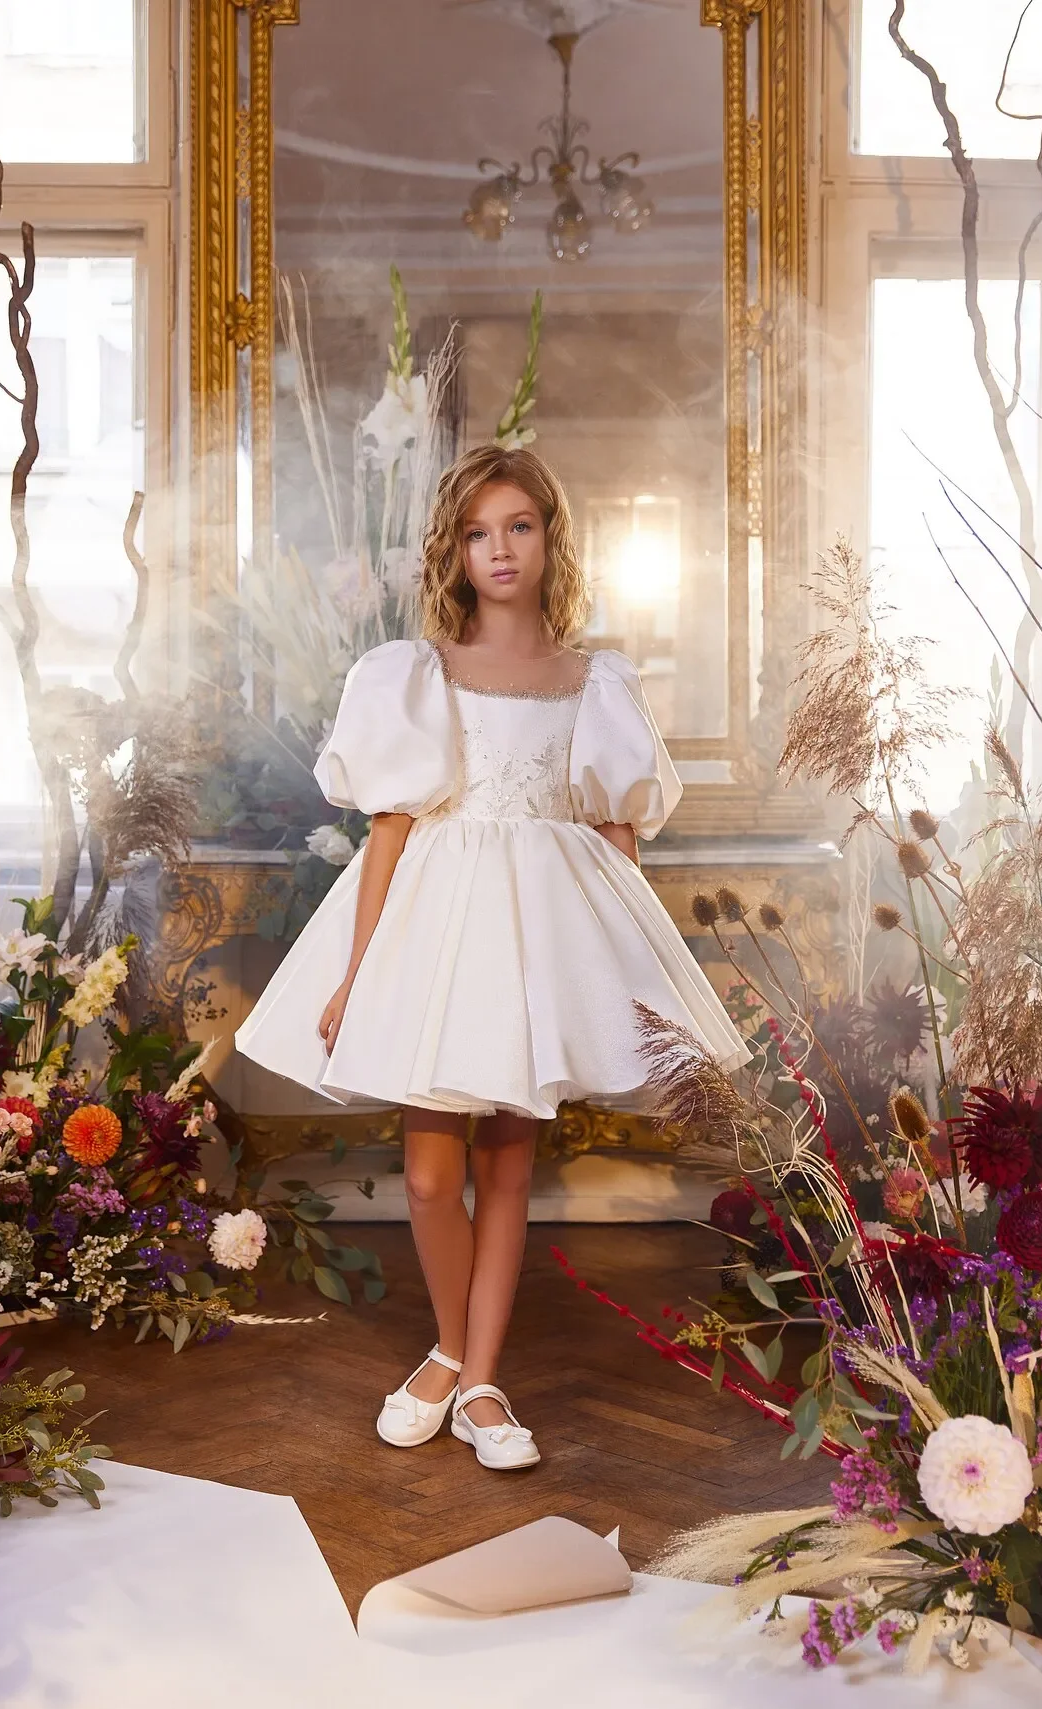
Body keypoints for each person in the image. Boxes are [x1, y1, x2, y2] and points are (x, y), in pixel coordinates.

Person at [234, 444, 750, 1472]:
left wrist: (636, 972)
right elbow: (388, 832)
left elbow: (615, 835)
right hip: (440, 925)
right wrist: (356, 971)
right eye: (477, 532)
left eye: (517, 525)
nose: (498, 548)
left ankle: (477, 1379)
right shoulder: (417, 671)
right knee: (431, 1174)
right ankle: (450, 1349)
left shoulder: (595, 680)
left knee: (507, 1163)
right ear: (454, 550)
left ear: (549, 536)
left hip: (543, 935)